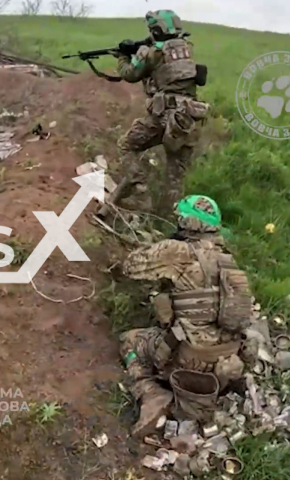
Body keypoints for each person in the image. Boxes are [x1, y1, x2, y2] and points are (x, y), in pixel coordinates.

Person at [118, 195, 255, 437]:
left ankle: (151, 394)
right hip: (227, 358)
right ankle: (223, 385)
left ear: (185, 222)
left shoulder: (177, 250)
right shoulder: (230, 261)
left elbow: (130, 267)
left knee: (129, 340)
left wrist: (158, 248)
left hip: (189, 358)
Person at [97, 10, 210, 219]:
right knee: (175, 176)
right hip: (187, 119)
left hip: (163, 116)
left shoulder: (152, 53)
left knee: (127, 145)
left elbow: (130, 74)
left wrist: (123, 56)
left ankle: (138, 186)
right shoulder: (186, 48)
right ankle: (170, 221)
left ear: (156, 30)